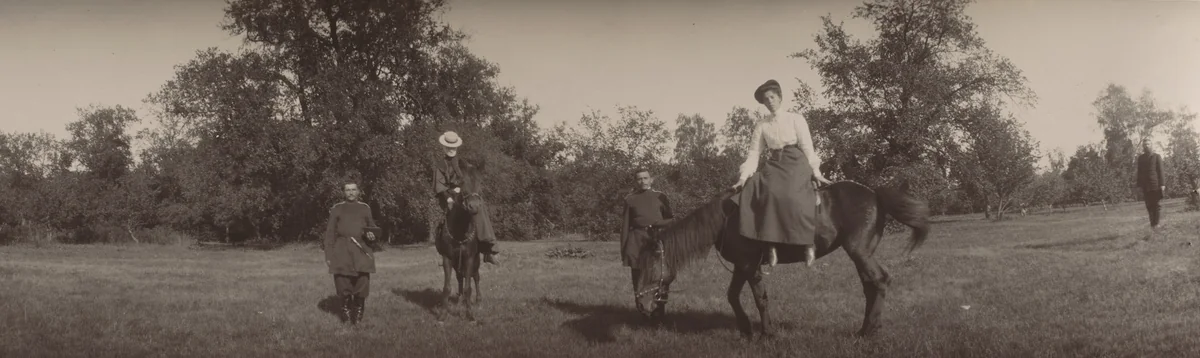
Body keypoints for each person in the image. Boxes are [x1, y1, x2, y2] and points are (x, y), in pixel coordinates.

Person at [731, 79, 831, 268]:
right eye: (765, 99)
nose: (769, 101)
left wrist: (816, 172)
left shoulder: (796, 118)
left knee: (793, 195)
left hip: (796, 160)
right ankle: (770, 245)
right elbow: (754, 153)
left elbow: (807, 147)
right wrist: (743, 177)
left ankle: (808, 244)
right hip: (775, 163)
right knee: (761, 190)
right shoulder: (762, 125)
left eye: (772, 97)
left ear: (780, 97)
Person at [432, 131, 499, 264]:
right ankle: (444, 251)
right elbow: (439, 187)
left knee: (479, 208)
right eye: (448, 147)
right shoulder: (440, 166)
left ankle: (488, 249)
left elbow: (470, 179)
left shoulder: (462, 163)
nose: (451, 150)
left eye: (453, 147)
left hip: (463, 195)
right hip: (448, 197)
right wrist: (449, 196)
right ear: (444, 148)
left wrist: (467, 188)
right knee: (445, 216)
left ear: (456, 147)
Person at [322, 183, 378, 325]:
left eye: (353, 190)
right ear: (344, 192)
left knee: (362, 283)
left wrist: (372, 236)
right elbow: (329, 234)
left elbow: (372, 230)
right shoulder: (337, 209)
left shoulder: (365, 208)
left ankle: (358, 316)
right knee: (342, 284)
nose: (351, 192)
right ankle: (346, 316)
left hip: (361, 249)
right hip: (342, 250)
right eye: (348, 190)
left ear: (358, 191)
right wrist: (329, 255)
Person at [619, 168, 674, 314]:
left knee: (660, 276)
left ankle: (659, 311)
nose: (642, 181)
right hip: (636, 241)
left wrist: (657, 225)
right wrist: (624, 249)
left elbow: (670, 220)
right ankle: (642, 310)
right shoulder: (630, 199)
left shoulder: (660, 197)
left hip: (656, 241)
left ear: (651, 179)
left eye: (645, 178)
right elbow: (625, 226)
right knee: (638, 278)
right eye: (639, 179)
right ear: (635, 181)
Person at [1136, 140, 1165, 229]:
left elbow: (1161, 171)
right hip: (1145, 185)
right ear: (1143, 147)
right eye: (1144, 145)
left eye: (1148, 144)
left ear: (1151, 145)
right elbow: (1139, 172)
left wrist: (1162, 184)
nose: (1146, 146)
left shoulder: (1156, 156)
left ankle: (1156, 224)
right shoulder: (1141, 158)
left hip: (1155, 185)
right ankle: (1152, 225)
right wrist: (1138, 186)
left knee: (1156, 204)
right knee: (1149, 205)